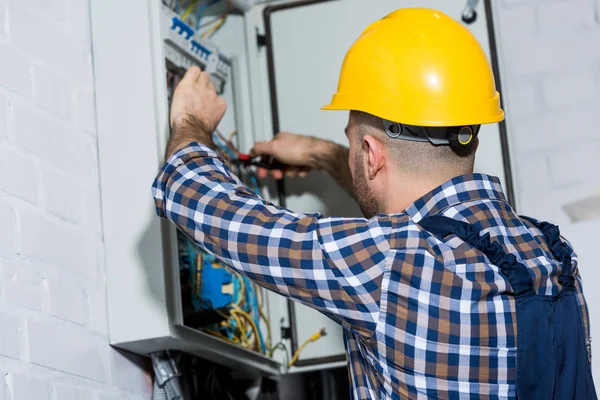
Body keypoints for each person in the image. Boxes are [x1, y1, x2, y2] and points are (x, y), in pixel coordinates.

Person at [153, 8, 597, 400]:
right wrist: (321, 154)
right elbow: (422, 217)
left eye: (352, 145)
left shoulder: (387, 265)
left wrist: (190, 119)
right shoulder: (550, 256)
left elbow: (197, 200)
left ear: (371, 154)